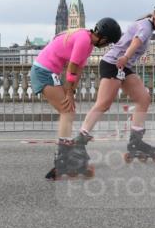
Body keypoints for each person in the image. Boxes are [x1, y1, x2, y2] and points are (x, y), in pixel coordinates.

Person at [74, 1, 155, 163]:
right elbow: (136, 42)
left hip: (124, 66)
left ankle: (135, 142)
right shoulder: (146, 26)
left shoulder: (146, 24)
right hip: (114, 63)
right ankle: (79, 141)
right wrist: (126, 57)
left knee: (143, 99)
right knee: (103, 104)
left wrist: (126, 59)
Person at [31, 17, 123, 180]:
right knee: (67, 112)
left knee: (68, 111)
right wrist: (68, 92)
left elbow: (78, 70)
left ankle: (66, 156)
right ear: (104, 38)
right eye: (108, 43)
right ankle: (63, 158)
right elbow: (72, 67)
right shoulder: (83, 40)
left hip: (48, 72)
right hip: (43, 72)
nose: (107, 46)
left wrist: (71, 92)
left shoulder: (87, 43)